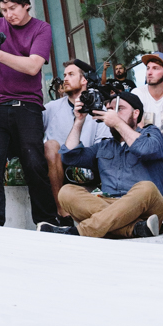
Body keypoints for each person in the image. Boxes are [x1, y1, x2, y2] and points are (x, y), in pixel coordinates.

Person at [0, 0, 58, 230]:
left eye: (13, 8)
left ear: (26, 5)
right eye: (4, 9)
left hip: (28, 105)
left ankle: (45, 220)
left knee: (34, 163)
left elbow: (33, 66)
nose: (8, 14)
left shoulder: (41, 28)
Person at [59, 89, 163, 238]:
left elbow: (145, 149)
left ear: (135, 113)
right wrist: (79, 120)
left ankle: (80, 231)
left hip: (146, 207)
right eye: (109, 109)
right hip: (110, 204)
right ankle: (134, 228)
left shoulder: (151, 133)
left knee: (147, 188)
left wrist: (117, 123)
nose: (112, 113)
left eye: (119, 109)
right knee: (66, 192)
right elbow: (69, 157)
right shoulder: (104, 146)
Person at [42, 59, 107, 223]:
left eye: (71, 75)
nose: (65, 79)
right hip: (57, 170)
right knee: (51, 145)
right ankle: (62, 212)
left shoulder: (99, 108)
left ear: (84, 80)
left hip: (87, 168)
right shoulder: (51, 108)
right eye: (64, 75)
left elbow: (104, 147)